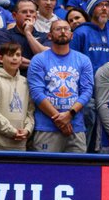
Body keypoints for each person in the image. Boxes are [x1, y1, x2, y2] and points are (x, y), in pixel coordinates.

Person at [27, 17, 93, 153]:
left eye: (66, 29)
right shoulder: (39, 60)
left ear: (72, 35)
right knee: (46, 172)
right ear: (49, 35)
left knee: (77, 172)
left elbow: (87, 91)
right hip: (47, 127)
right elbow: (37, 93)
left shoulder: (83, 60)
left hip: (76, 126)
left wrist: (70, 114)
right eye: (58, 29)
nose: (63, 31)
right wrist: (59, 119)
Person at [0, 41, 33, 150]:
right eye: (10, 55)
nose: (14, 58)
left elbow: (30, 111)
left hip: (19, 144)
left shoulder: (25, 82)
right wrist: (11, 131)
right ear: (1, 58)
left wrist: (27, 130)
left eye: (18, 55)